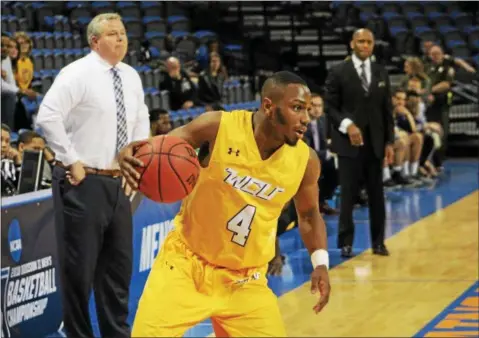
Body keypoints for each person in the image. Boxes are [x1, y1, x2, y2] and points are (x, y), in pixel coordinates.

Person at [119, 71, 331, 337]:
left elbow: (310, 215)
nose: (305, 119)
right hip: (186, 266)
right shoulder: (218, 127)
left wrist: (320, 262)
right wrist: (134, 150)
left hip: (245, 281)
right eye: (297, 108)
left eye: (308, 110)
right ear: (268, 106)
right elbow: (163, 148)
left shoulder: (306, 161)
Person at [36, 13, 150, 338]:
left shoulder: (130, 76)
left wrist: (134, 159)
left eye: (124, 33)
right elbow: (47, 115)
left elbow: (140, 119)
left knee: (118, 271)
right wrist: (71, 159)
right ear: (94, 41)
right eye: (112, 34)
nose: (121, 39)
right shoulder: (77, 73)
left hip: (117, 182)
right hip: (81, 182)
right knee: (79, 273)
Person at [324, 28, 394, 258]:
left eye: (369, 42)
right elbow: (330, 107)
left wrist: (390, 143)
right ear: (352, 44)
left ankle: (379, 242)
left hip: (375, 143)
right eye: (361, 41)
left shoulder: (381, 72)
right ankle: (345, 243)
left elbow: (387, 111)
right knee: (348, 195)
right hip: (347, 143)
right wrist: (347, 125)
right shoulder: (338, 71)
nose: (365, 45)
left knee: (377, 195)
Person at [304, 93, 339, 215]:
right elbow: (305, 150)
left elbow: (327, 142)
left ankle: (321, 201)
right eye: (313, 105)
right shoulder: (301, 123)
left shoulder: (323, 120)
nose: (317, 109)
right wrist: (326, 154)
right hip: (304, 161)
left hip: (320, 158)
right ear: (307, 106)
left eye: (320, 106)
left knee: (338, 168)